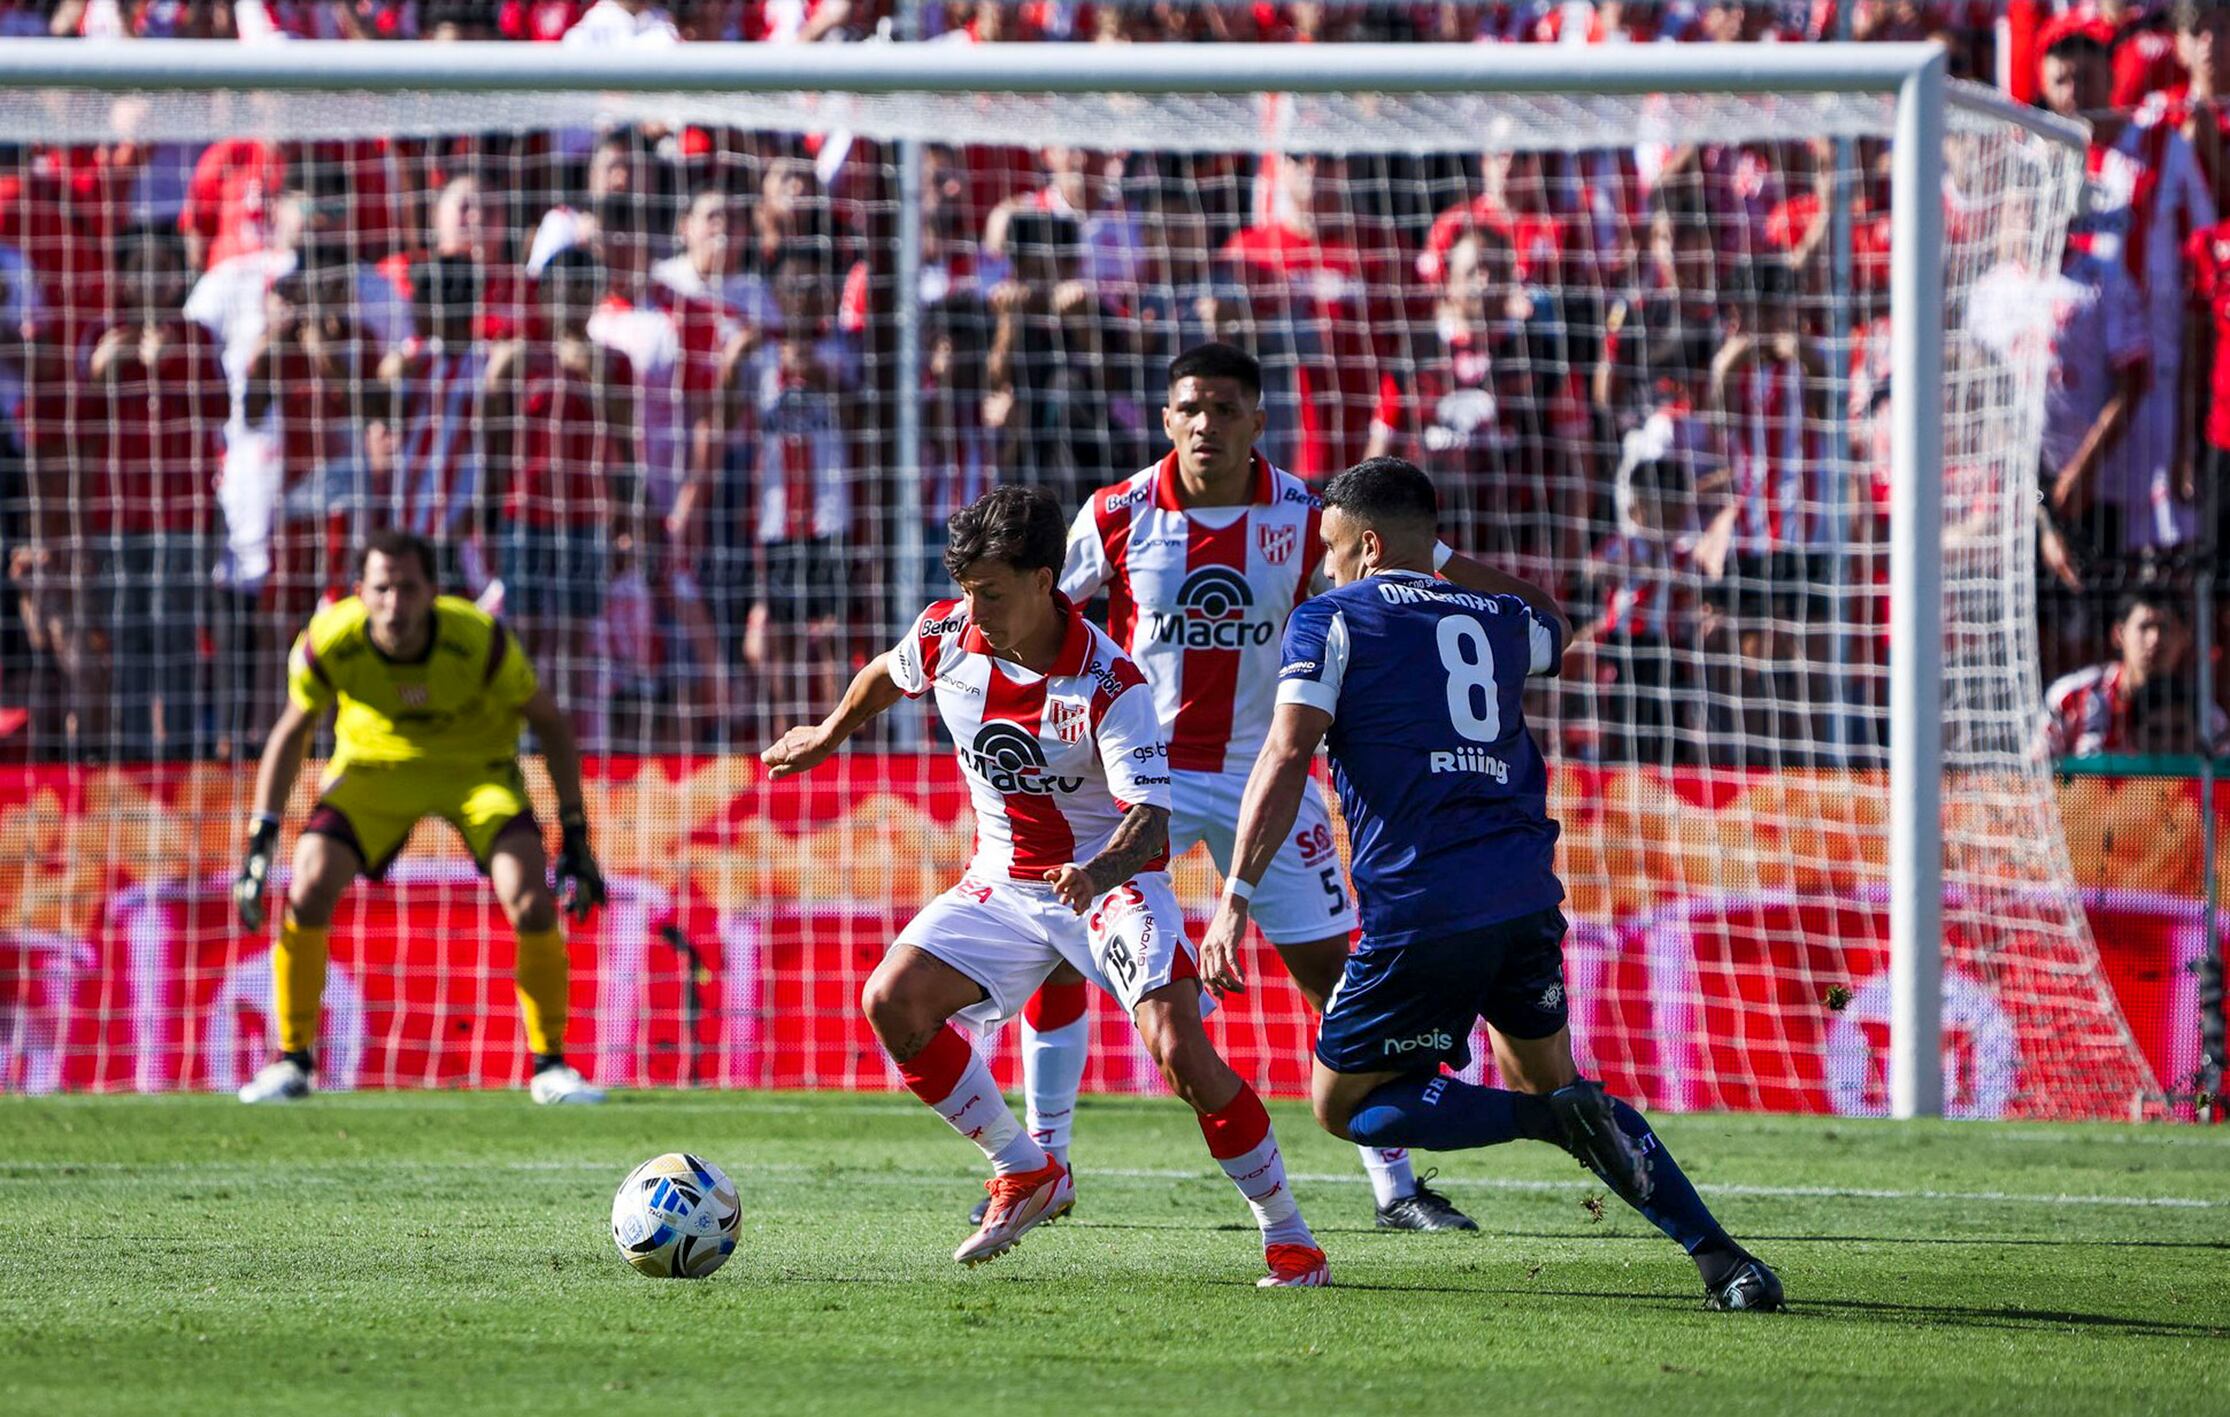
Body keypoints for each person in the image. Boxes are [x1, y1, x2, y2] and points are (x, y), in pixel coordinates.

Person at [1199, 456, 1784, 1312]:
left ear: (1365, 545)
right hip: (1523, 894)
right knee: (1552, 1072)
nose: (1321, 567)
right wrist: (1442, 559)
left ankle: (1546, 1123)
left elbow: (1287, 752)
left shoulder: (1332, 618)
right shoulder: (1498, 616)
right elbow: (1559, 626)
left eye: (1329, 547)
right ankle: (1725, 1260)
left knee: (1342, 1101)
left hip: (1421, 904)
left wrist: (1234, 899)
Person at [1013, 342, 1527, 1233]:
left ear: (1258, 420)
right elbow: (1041, 612)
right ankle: (1043, 1161)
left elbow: (1423, 567)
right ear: (1167, 419)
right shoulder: (1120, 511)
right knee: (1056, 949)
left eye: (1223, 407)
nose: (1205, 423)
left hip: (1266, 777)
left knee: (1334, 974)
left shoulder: (1305, 514)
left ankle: (1395, 1188)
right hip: (1147, 780)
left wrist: (1526, 609)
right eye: (1189, 408)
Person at [760, 485, 1330, 1286]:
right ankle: (1026, 1168)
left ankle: (1291, 1237)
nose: (974, 607)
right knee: (891, 1000)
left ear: (1043, 581)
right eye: (965, 589)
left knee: (1181, 1052)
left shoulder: (1110, 683)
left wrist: (1094, 872)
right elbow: (887, 674)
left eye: (990, 591)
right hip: (1003, 881)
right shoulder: (949, 634)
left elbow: (1150, 823)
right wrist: (825, 735)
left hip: (1107, 887)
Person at [230, 529, 609, 1105]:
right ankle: (292, 1061)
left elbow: (551, 722)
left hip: (476, 772)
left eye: (409, 588)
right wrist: (262, 839)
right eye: (382, 588)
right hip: (373, 772)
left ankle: (550, 1065)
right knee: (306, 886)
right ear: (359, 590)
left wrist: (575, 831)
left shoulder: (479, 639)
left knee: (531, 896)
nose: (394, 603)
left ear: (433, 591)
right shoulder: (331, 639)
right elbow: (292, 730)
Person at [2036, 588, 2229, 757]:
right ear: (2119, 634)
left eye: (2166, 628)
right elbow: (2036, 774)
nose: (2155, 639)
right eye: (2144, 627)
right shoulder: (2073, 698)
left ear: (2186, 637)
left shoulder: (2208, 717)